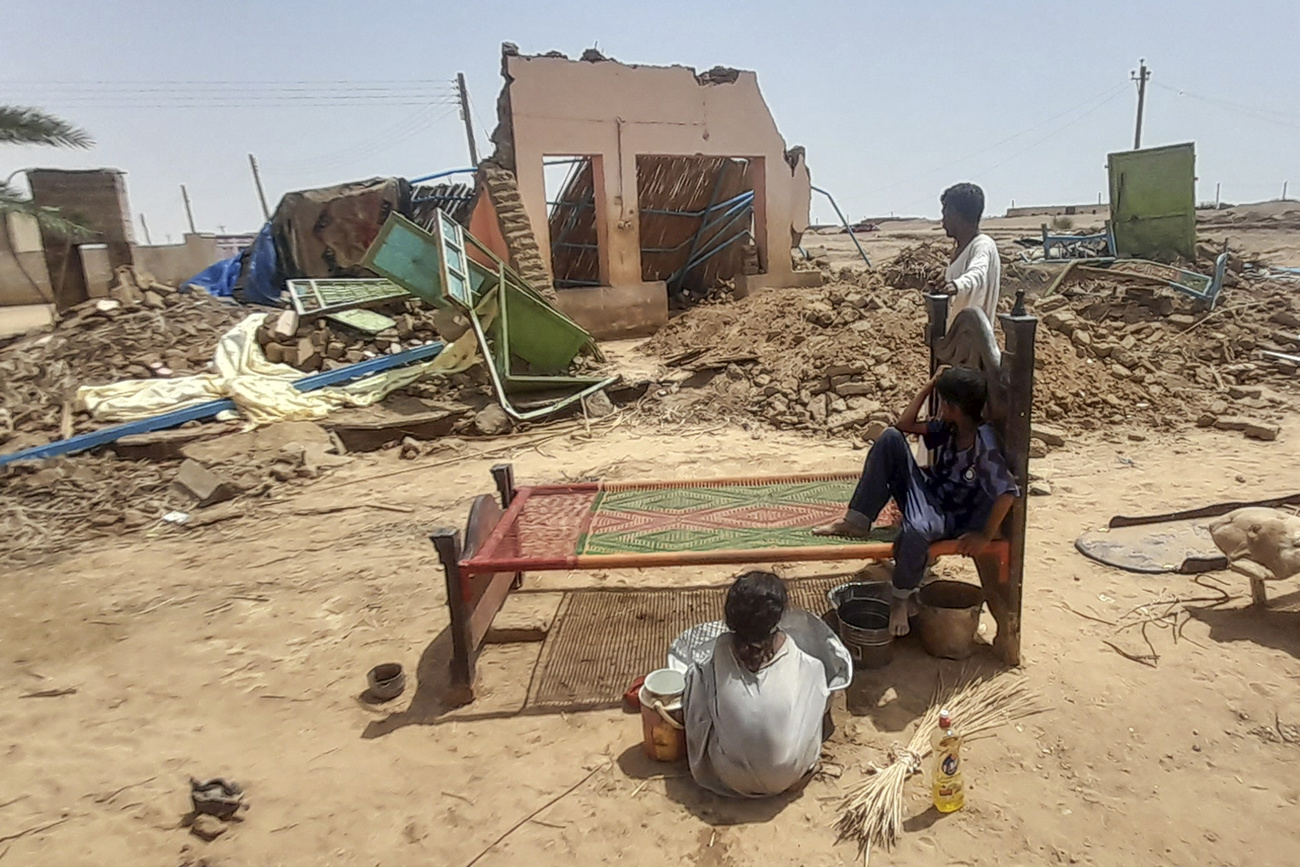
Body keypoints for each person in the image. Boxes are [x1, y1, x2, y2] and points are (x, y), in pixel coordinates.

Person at [814, 367, 1019, 635]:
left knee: (917, 530)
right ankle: (857, 521)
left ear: (953, 407)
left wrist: (984, 536)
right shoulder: (950, 427)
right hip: (928, 494)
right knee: (889, 438)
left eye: (942, 400)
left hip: (949, 516)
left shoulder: (984, 442)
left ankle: (900, 598)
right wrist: (929, 385)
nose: (939, 405)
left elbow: (1007, 492)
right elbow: (904, 425)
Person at [682, 571, 846, 798]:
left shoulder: (721, 650)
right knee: (815, 673)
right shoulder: (793, 654)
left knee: (696, 676)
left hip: (730, 775)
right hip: (790, 772)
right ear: (777, 617)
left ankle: (705, 748)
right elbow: (816, 689)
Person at [940, 182, 1001, 326]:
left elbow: (978, 273)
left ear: (956, 215)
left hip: (974, 342)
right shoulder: (962, 248)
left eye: (945, 215)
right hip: (955, 340)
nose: (943, 223)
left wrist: (957, 286)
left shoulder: (982, 245)